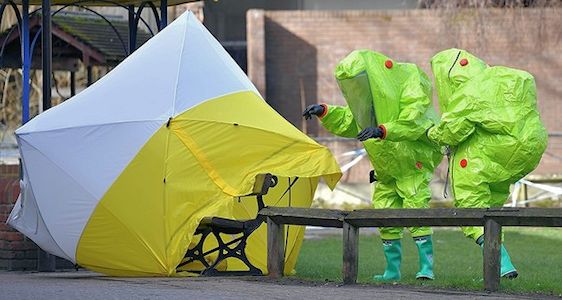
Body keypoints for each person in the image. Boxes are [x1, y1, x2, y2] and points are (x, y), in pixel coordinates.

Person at [303, 50, 442, 281]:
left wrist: (383, 130)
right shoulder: (368, 104)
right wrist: (324, 111)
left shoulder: (408, 81)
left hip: (410, 166)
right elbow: (351, 121)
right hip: (385, 172)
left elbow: (415, 121)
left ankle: (426, 267)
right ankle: (392, 270)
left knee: (416, 213)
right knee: (385, 216)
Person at [427, 48, 548, 278]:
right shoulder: (502, 77)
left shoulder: (470, 91)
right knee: (491, 199)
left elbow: (451, 131)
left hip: (498, 148)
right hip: (529, 146)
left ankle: (500, 262)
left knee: (468, 189)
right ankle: (501, 262)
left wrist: (431, 134)